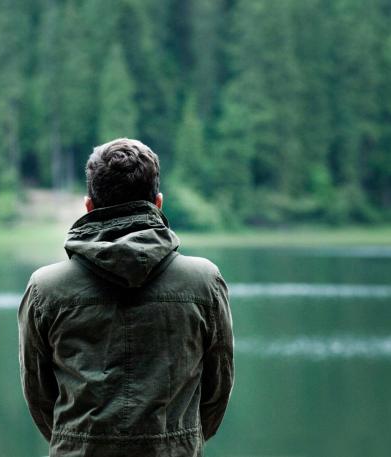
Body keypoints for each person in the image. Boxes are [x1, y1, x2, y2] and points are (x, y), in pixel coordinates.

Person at [18, 138, 234, 457]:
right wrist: (178, 441)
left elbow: (39, 395)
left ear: (89, 206)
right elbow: (218, 388)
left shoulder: (45, 288)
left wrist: (81, 441)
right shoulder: (204, 281)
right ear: (158, 203)